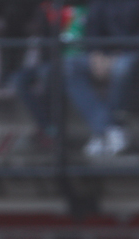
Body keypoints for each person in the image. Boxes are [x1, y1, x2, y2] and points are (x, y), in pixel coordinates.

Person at [63, 0, 139, 157]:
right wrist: (96, 53)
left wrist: (118, 54)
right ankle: (109, 129)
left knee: (121, 68)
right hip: (106, 54)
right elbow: (93, 28)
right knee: (69, 67)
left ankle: (104, 131)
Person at [11, 0, 89, 151]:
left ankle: (52, 131)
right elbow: (38, 33)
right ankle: (48, 127)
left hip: (69, 62)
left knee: (47, 75)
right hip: (46, 61)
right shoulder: (45, 8)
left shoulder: (78, 9)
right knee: (18, 80)